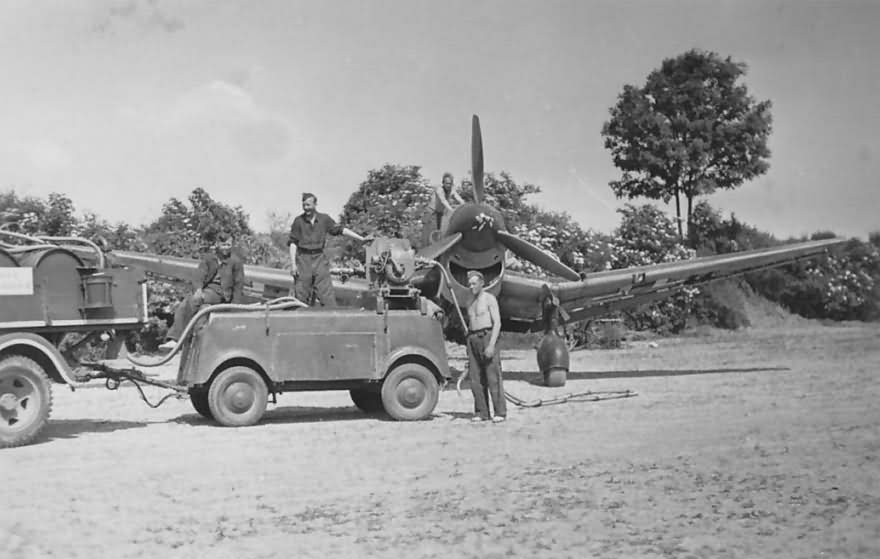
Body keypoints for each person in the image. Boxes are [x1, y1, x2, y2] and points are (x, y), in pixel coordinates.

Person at [159, 234, 244, 351]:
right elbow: (199, 276)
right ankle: (175, 339)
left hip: (221, 293)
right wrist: (198, 289)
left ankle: (179, 339)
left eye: (228, 245)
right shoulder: (209, 259)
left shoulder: (236, 262)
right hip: (206, 289)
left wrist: (235, 307)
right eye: (223, 245)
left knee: (196, 300)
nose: (226, 248)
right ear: (217, 245)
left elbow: (238, 285)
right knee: (184, 304)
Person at [289, 192, 371, 307]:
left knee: (327, 296)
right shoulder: (298, 221)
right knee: (301, 296)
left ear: (315, 204)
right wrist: (293, 265)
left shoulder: (324, 219)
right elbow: (293, 243)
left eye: (308, 205)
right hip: (303, 260)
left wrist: (360, 239)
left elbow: (341, 230)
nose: (306, 208)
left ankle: (331, 319)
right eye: (304, 205)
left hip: (319, 259)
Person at [465, 270, 506, 423]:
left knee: (493, 377)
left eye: (474, 283)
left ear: (481, 284)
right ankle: (481, 412)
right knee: (475, 378)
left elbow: (497, 323)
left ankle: (500, 412)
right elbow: (469, 323)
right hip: (473, 338)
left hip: (487, 336)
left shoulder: (489, 299)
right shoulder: (469, 301)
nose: (471, 287)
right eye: (469, 284)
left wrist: (491, 345)